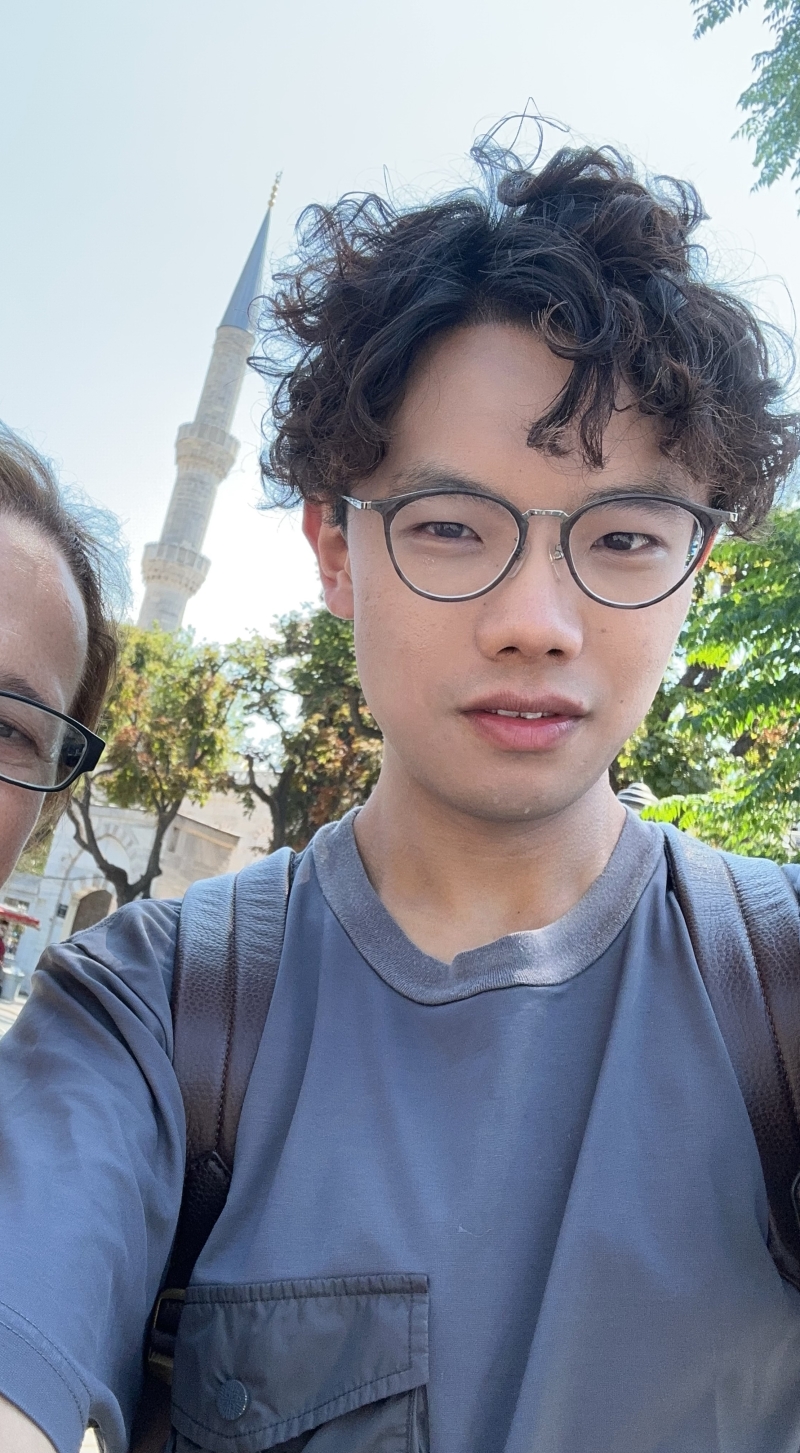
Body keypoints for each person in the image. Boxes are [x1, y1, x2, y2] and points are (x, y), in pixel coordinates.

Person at [1, 140, 800, 1453]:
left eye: (623, 539)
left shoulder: (777, 988)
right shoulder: (152, 1011)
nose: (536, 620)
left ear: (696, 573)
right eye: (448, 526)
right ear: (334, 547)